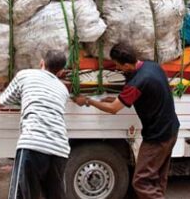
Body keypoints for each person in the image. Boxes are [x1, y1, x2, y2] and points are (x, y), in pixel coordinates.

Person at [73, 44, 180, 199]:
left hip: (158, 137)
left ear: (127, 64)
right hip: (171, 129)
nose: (117, 68)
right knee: (156, 177)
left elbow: (113, 109)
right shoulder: (152, 67)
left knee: (140, 181)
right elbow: (142, 94)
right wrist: (118, 99)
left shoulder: (137, 82)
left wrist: (88, 101)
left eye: (118, 65)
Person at [0, 50, 70, 199]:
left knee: (23, 195)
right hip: (60, 149)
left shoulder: (25, 75)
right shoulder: (63, 90)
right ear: (61, 71)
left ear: (42, 63)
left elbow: (1, 102)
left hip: (33, 144)